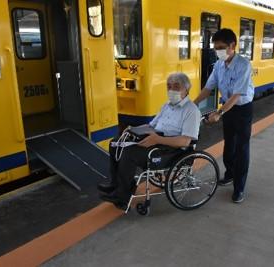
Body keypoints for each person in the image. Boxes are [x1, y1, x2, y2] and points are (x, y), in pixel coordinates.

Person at [98, 73, 201, 210]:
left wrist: (157, 139)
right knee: (115, 144)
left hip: (171, 150)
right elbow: (151, 125)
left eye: (177, 87)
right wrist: (133, 129)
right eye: (169, 87)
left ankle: (122, 195)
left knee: (130, 153)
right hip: (156, 140)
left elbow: (185, 141)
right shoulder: (166, 106)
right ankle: (116, 184)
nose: (172, 90)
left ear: (187, 89)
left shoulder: (191, 111)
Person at [194, 28, 254, 203]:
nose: (217, 51)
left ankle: (239, 187)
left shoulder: (243, 65)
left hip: (242, 109)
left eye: (221, 47)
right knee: (229, 144)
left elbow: (236, 96)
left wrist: (219, 113)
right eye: (215, 47)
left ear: (232, 46)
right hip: (227, 108)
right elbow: (208, 88)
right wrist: (191, 104)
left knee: (242, 148)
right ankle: (230, 174)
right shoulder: (219, 65)